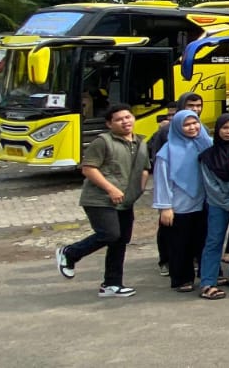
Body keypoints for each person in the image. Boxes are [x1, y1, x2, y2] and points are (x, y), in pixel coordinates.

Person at [55, 104, 150, 298]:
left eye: (128, 117)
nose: (125, 121)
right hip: (99, 199)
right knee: (110, 234)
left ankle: (112, 284)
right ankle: (70, 253)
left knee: (120, 240)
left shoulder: (140, 143)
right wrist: (110, 188)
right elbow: (88, 168)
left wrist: (139, 190)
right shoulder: (102, 142)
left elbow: (144, 169)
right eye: (119, 119)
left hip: (126, 200)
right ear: (109, 124)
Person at [152, 110, 212, 293]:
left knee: (204, 242)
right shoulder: (167, 152)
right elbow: (162, 180)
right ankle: (182, 278)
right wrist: (165, 207)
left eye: (195, 123)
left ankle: (209, 275)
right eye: (186, 125)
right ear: (177, 127)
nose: (192, 127)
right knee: (180, 245)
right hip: (179, 206)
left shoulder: (206, 143)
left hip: (205, 202)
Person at [197, 114, 229, 300]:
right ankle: (208, 282)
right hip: (218, 204)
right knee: (214, 241)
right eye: (225, 128)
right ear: (217, 130)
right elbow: (210, 185)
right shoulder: (208, 156)